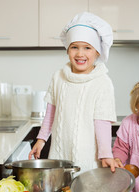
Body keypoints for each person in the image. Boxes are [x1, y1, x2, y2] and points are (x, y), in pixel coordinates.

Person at [29, 12, 120, 174]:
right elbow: (51, 114)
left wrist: (106, 154)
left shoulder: (102, 82)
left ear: (97, 52)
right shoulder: (58, 77)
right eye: (74, 47)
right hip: (59, 152)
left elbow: (102, 122)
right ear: (67, 50)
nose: (80, 54)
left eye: (87, 48)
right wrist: (41, 140)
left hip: (88, 156)